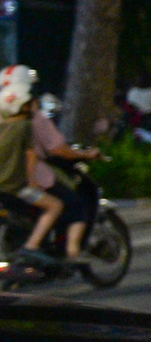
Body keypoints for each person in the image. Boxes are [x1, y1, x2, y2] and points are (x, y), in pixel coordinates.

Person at [29, 87, 102, 258]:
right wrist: (85, 154)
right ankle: (72, 253)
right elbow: (58, 149)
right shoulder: (32, 119)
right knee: (75, 206)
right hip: (30, 180)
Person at [0, 66, 64, 261]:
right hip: (16, 187)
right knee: (55, 206)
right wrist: (32, 184)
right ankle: (32, 246)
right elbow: (32, 156)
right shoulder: (27, 125)